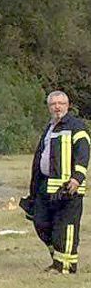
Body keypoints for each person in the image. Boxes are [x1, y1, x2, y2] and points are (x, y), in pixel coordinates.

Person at [20, 91, 89, 274]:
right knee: (40, 221)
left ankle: (65, 266)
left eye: (61, 103)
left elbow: (83, 153)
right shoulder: (50, 128)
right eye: (53, 104)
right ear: (49, 107)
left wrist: (77, 178)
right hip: (46, 185)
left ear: (68, 105)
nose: (57, 107)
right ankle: (57, 259)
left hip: (68, 188)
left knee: (65, 226)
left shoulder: (76, 127)